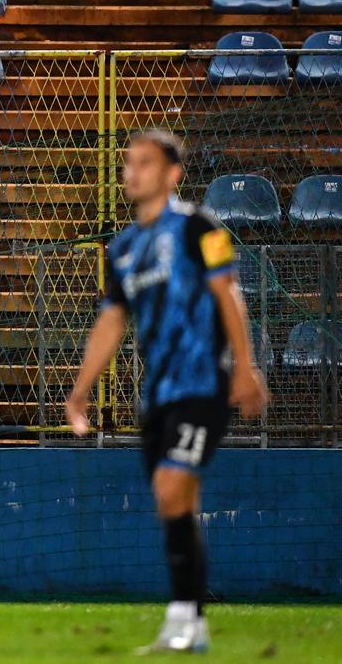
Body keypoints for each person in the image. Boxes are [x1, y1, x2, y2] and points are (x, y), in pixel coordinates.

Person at [65, 129, 270, 655]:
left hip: (204, 383)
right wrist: (80, 391)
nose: (131, 171)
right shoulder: (124, 249)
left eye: (145, 162)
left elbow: (229, 295)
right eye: (128, 163)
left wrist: (245, 368)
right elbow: (111, 322)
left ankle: (181, 619)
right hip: (156, 395)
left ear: (172, 173)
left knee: (172, 489)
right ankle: (194, 623)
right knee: (174, 503)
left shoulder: (201, 228)